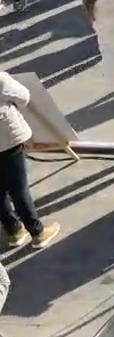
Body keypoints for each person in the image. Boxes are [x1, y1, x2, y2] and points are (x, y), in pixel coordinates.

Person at [0, 73, 59, 249]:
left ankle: (13, 230)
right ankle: (37, 232)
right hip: (6, 138)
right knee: (18, 188)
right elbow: (23, 96)